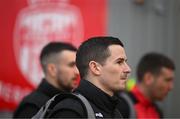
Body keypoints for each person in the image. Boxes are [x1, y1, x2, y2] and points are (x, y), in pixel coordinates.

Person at [47, 36, 131, 118]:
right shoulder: (70, 111)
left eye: (125, 62)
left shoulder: (115, 112)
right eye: (119, 62)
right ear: (95, 67)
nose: (128, 69)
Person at [13, 42, 79, 118]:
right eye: (71, 65)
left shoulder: (72, 101)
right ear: (52, 69)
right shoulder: (32, 107)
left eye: (77, 66)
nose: (77, 72)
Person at [118, 53, 175, 118]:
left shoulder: (157, 111)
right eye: (167, 80)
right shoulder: (121, 106)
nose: (171, 87)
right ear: (148, 78)